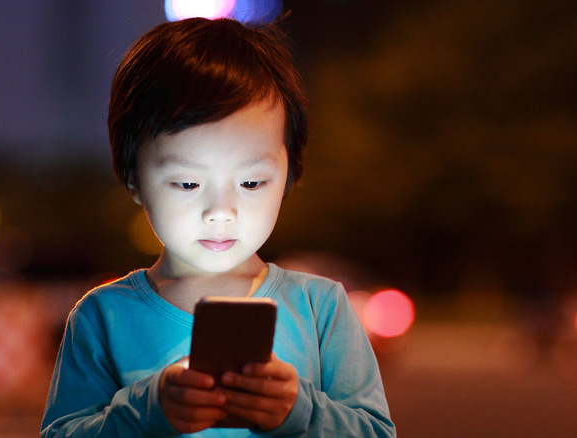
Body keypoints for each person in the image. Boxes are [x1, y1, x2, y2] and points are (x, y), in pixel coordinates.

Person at [41, 17, 395, 437]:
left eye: (251, 182)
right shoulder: (104, 316)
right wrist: (148, 411)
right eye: (188, 183)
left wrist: (299, 412)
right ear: (133, 178)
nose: (221, 210)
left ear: (290, 174)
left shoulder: (322, 309)